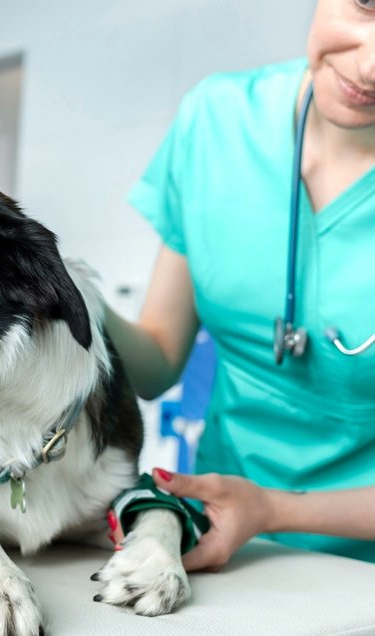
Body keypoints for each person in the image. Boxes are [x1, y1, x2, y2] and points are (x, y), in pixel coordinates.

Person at [105, 0, 375, 572]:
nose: (370, 66)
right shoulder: (216, 119)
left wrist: (272, 508)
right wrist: (66, 290)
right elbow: (154, 363)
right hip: (216, 543)